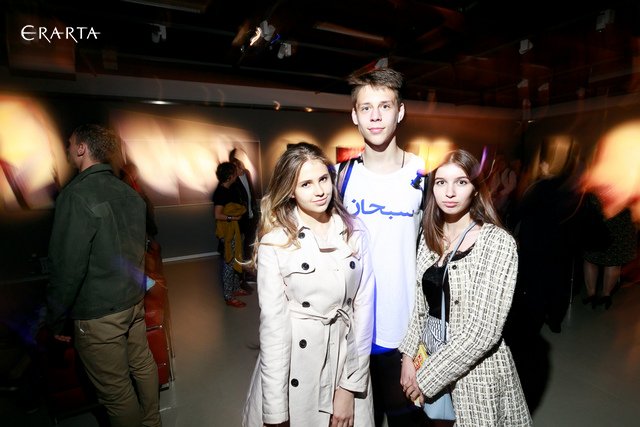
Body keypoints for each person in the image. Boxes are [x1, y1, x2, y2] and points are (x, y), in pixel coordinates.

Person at [243, 142, 375, 426]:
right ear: (290, 190)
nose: (319, 191)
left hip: (346, 357)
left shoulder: (354, 232)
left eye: (323, 179)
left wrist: (349, 387)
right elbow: (274, 330)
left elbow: (364, 312)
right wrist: (276, 411)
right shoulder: (275, 243)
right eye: (306, 184)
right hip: (297, 364)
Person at [399, 149, 532, 426]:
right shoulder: (429, 236)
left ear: (475, 188)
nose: (449, 192)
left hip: (477, 373)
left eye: (461, 182)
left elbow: (483, 332)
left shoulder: (497, 243)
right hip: (430, 354)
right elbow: (420, 308)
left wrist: (425, 379)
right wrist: (408, 357)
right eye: (441, 182)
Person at [46, 124, 161, 427]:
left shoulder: (75, 196)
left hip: (99, 312)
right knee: (143, 363)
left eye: (70, 143)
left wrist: (56, 318)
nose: (68, 148)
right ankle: (152, 422)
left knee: (117, 392)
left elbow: (67, 267)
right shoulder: (129, 193)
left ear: (82, 148)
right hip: (132, 300)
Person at [337, 67, 427, 426]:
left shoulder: (422, 176)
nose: (375, 116)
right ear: (355, 115)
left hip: (404, 328)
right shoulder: (340, 177)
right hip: (352, 328)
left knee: (407, 419)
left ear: (400, 112)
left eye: (385, 106)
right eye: (366, 107)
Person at [581, 192, 637, 309]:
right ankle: (606, 295)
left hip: (596, 217)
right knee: (614, 259)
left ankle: (591, 294)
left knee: (590, 256)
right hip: (620, 217)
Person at [212, 161, 248, 308]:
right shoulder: (221, 192)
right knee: (229, 262)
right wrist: (233, 217)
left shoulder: (229, 189)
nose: (236, 175)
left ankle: (235, 288)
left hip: (234, 231)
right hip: (228, 232)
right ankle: (228, 296)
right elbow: (217, 215)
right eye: (234, 173)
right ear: (230, 176)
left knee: (235, 259)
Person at [230, 150, 259, 282]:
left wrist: (255, 211)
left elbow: (251, 192)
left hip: (251, 215)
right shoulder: (232, 178)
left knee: (249, 243)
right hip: (240, 217)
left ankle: (248, 272)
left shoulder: (247, 173)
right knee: (238, 245)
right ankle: (239, 274)